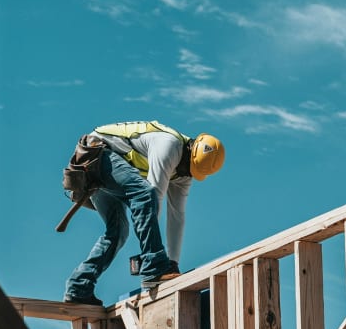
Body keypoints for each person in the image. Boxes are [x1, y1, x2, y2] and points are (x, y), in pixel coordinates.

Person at [63, 120, 225, 306]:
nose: (184, 173)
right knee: (144, 193)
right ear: (190, 150)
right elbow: (152, 197)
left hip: (106, 166)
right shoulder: (169, 145)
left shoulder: (184, 173)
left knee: (118, 232)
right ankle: (154, 266)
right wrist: (155, 263)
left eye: (190, 172)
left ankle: (79, 287)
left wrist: (173, 263)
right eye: (187, 167)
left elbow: (176, 217)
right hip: (96, 154)